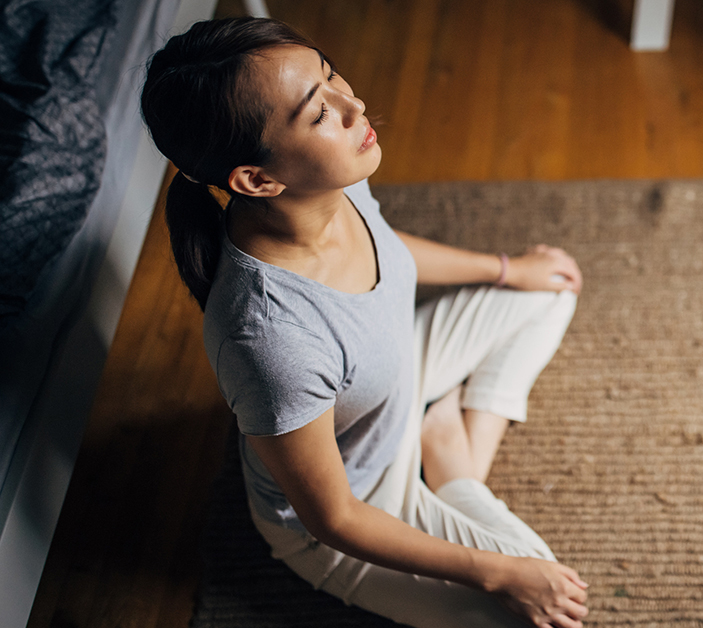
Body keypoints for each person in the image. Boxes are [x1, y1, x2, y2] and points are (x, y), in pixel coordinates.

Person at [140, 17, 588, 628]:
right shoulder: (269, 338)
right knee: (544, 604)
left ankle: (451, 456)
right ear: (257, 179)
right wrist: (502, 572)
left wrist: (507, 269)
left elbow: (389, 251)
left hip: (395, 378)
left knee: (552, 289)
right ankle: (452, 472)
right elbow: (334, 518)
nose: (353, 105)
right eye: (318, 113)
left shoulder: (327, 184)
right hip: (361, 505)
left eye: (331, 76)